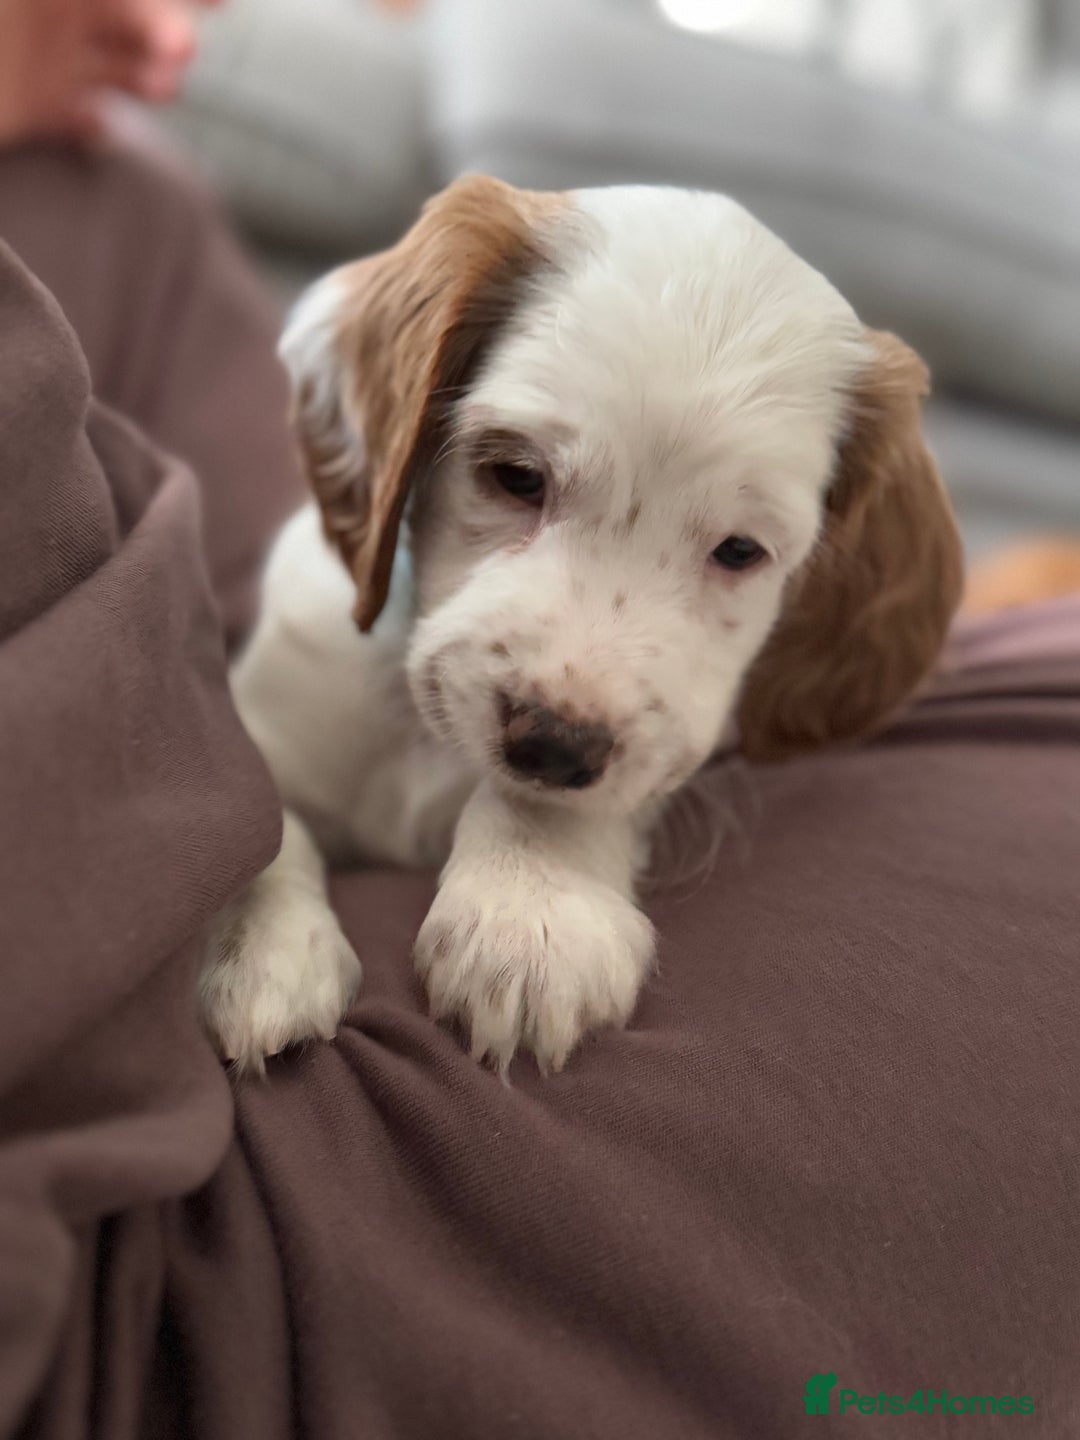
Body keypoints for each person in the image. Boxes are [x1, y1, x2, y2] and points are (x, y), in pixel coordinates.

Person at [2, 6, 1079, 1438]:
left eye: (733, 556)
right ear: (405, 423)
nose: (573, 698)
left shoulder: (843, 507)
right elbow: (224, 767)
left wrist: (554, 845)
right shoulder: (312, 590)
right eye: (514, 477)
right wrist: (268, 879)